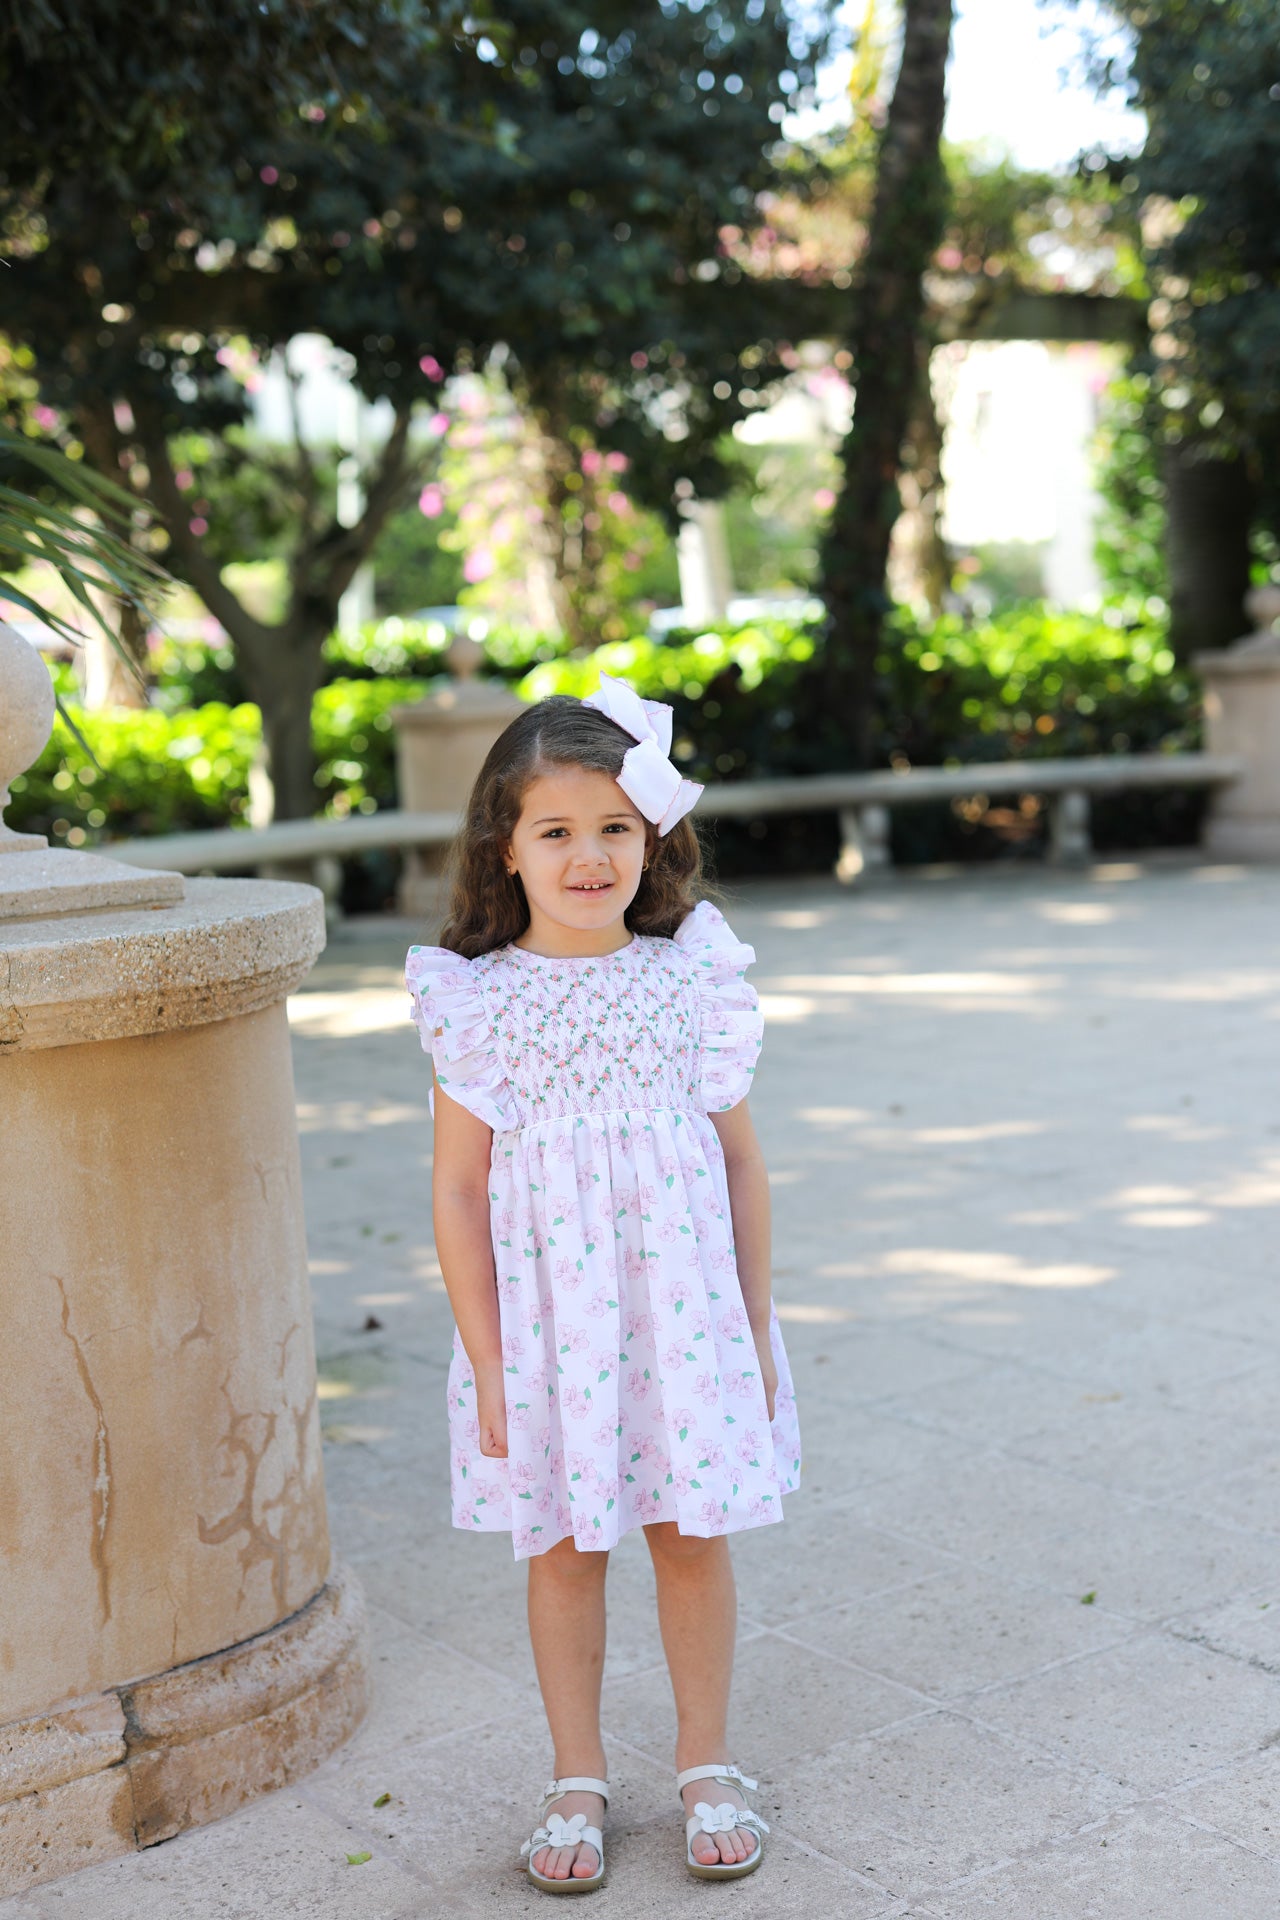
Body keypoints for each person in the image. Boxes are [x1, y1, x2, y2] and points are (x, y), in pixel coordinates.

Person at [405, 674, 801, 1893]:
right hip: (547, 1334)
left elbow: (738, 1163)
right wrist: (485, 1359)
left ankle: (703, 1762)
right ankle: (574, 1772)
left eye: (614, 828)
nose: (589, 856)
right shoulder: (477, 1005)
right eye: (556, 830)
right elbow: (460, 1194)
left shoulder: (689, 980)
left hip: (683, 1321)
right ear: (505, 848)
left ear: (653, 838)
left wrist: (749, 1321)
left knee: (689, 1537)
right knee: (566, 1548)